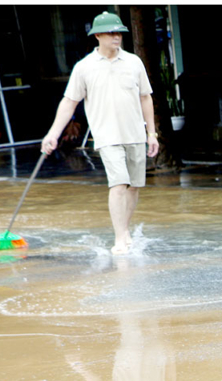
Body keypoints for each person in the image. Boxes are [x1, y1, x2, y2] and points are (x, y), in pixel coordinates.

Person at [41, 11, 159, 254]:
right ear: (97, 36)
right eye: (111, 32)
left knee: (134, 186)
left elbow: (146, 98)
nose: (117, 37)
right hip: (107, 137)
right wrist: (53, 133)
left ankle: (124, 230)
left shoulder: (133, 62)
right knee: (118, 184)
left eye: (119, 32)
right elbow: (69, 102)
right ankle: (119, 238)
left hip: (135, 134)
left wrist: (152, 133)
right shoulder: (84, 68)